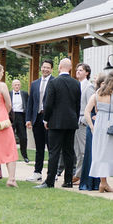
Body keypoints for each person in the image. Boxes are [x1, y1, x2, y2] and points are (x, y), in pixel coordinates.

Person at [39, 57, 81, 189]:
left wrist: (46, 119)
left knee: (54, 152)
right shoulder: (76, 84)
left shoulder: (54, 82)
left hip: (56, 122)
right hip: (71, 122)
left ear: (59, 67)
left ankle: (50, 181)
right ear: (70, 68)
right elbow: (77, 105)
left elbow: (48, 104)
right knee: (69, 152)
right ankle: (68, 181)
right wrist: (75, 118)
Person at [85, 68, 113, 193]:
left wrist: (92, 126)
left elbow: (87, 111)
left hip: (99, 125)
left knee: (101, 152)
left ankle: (103, 183)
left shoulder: (98, 93)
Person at [25, 59, 54, 183]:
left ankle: (52, 173)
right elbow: (30, 102)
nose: (45, 69)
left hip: (49, 119)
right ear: (41, 68)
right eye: (44, 67)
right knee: (39, 148)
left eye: (48, 67)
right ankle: (37, 172)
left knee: (51, 147)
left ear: (51, 69)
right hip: (37, 118)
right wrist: (28, 118)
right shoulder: (35, 83)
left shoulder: (55, 82)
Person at [73, 63, 95, 185]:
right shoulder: (77, 85)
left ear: (87, 73)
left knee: (83, 150)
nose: (78, 71)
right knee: (77, 150)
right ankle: (78, 174)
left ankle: (82, 176)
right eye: (77, 70)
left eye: (81, 70)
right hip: (75, 121)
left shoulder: (89, 87)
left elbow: (90, 106)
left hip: (82, 121)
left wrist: (85, 121)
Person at [9, 78, 29, 163]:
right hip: (11, 116)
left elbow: (28, 106)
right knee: (9, 136)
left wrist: (28, 119)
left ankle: (25, 155)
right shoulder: (9, 94)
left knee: (23, 137)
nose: (17, 86)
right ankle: (9, 155)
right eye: (15, 85)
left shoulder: (24, 94)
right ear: (12, 86)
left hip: (21, 116)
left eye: (18, 85)